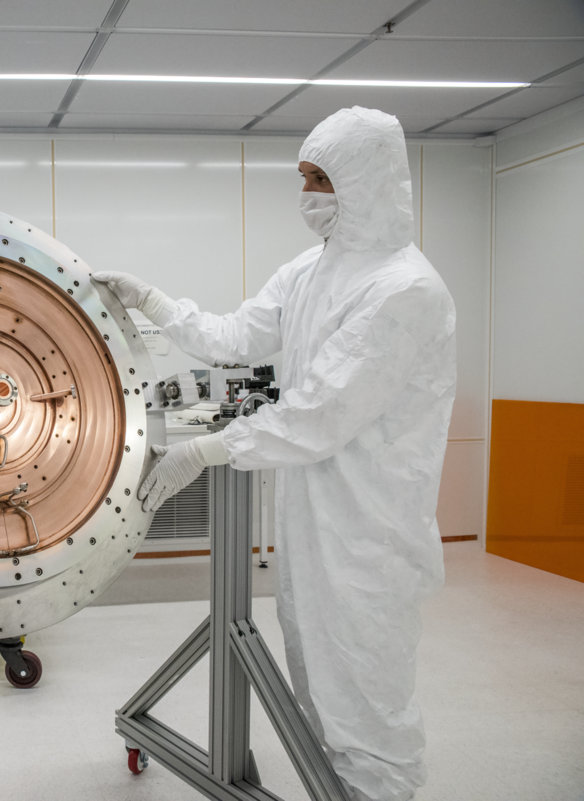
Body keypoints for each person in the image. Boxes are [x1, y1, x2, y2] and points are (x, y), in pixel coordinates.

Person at [94, 106, 456, 801]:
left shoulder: (404, 290)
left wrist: (209, 448)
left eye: (321, 179)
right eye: (304, 178)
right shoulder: (312, 271)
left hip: (369, 528)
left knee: (367, 691)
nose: (307, 196)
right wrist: (153, 301)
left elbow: (318, 415)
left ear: (366, 183)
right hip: (311, 512)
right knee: (316, 671)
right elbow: (234, 336)